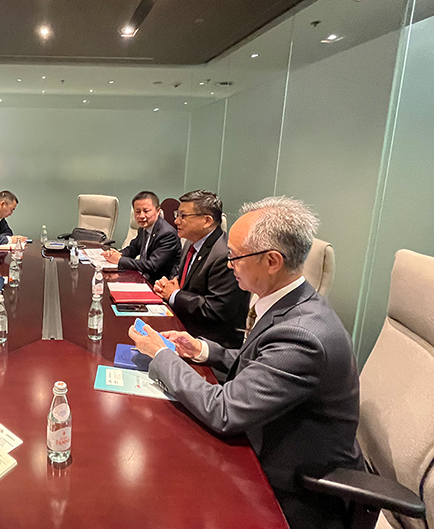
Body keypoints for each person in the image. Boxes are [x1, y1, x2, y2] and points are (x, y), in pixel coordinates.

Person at [128, 197, 362, 529]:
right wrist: (202, 350)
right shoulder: (291, 303)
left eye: (235, 256)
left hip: (292, 489)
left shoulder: (302, 335)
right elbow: (259, 363)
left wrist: (160, 354)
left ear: (272, 261)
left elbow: (224, 411)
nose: (229, 264)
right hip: (261, 440)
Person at [153, 190, 249, 348]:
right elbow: (185, 283)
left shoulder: (225, 255)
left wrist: (174, 295)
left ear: (207, 221)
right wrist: (168, 286)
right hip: (185, 324)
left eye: (183, 216)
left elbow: (215, 310)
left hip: (211, 342)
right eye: (177, 214)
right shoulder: (190, 242)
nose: (176, 221)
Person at [101, 191, 181, 283]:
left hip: (158, 283)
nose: (141, 216)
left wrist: (120, 260)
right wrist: (116, 254)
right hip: (142, 277)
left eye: (146, 211)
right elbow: (133, 249)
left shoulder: (167, 234)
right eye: (137, 211)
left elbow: (152, 266)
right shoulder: (143, 229)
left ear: (158, 211)